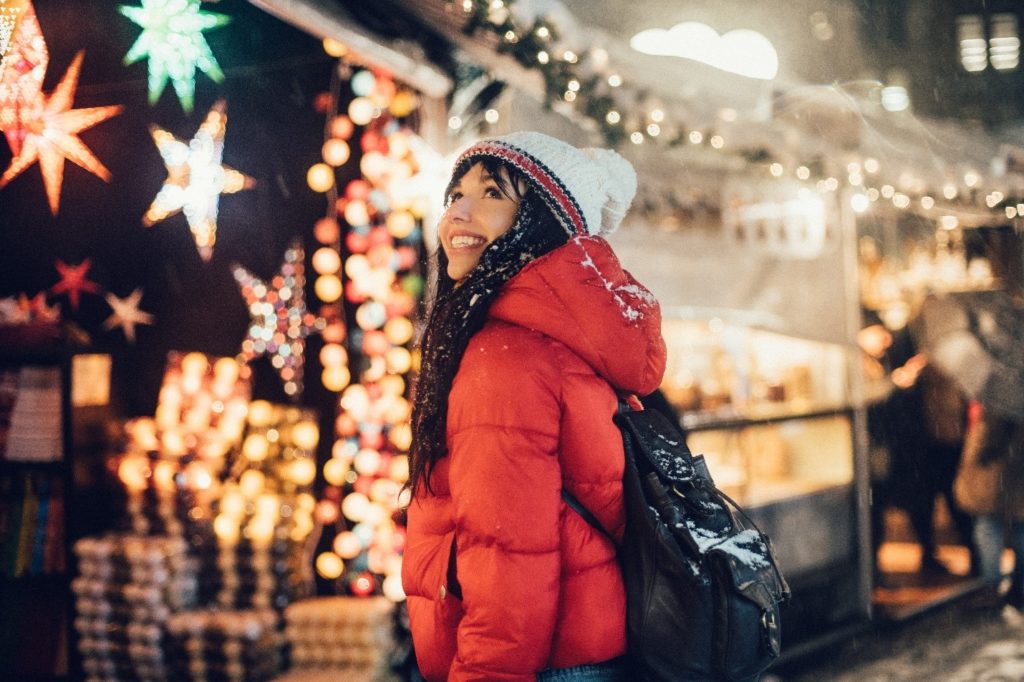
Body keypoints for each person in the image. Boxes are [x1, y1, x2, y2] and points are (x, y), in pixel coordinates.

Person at [400, 131, 666, 681]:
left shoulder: (505, 358)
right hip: (586, 649)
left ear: (541, 223)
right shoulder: (554, 336)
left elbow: (508, 562)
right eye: (455, 195)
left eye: (493, 193)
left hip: (542, 664)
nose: (460, 213)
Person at [954, 402, 1024, 609]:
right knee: (1019, 527)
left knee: (988, 528)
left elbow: (991, 440)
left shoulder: (1006, 398)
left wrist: (979, 448)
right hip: (1017, 472)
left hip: (1001, 471)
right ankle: (1019, 584)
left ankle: (991, 586)